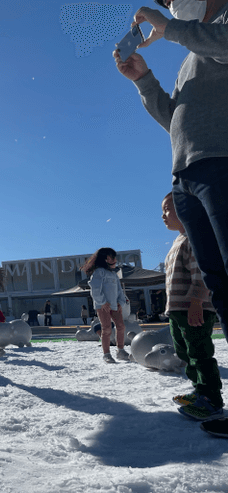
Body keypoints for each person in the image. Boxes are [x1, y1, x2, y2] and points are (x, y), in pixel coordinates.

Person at [114, 1, 228, 342]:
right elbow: (176, 121)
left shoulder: (215, 29)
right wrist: (144, 80)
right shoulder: (192, 54)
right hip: (187, 174)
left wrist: (170, 28)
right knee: (219, 283)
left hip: (222, 160)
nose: (171, 4)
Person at [161, 192, 223, 421]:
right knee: (185, 352)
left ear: (187, 210)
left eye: (168, 209)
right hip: (178, 309)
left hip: (193, 308)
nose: (163, 215)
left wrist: (196, 301)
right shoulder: (178, 240)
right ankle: (199, 390)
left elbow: (200, 274)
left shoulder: (194, 238)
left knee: (199, 352)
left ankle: (211, 398)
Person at [81, 248, 129, 364]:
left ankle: (121, 350)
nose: (115, 260)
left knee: (121, 326)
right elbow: (95, 288)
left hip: (114, 305)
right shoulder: (99, 272)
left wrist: (120, 302)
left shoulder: (114, 274)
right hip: (102, 306)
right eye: (113, 258)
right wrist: (102, 302)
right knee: (106, 328)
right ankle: (106, 354)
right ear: (105, 259)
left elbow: (119, 290)